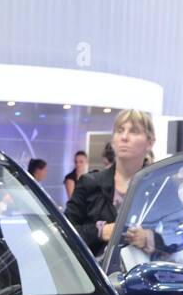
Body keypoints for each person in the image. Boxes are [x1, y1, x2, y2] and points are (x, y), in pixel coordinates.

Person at [66, 109, 156, 258]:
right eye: (120, 131)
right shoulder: (89, 183)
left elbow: (177, 236)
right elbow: (64, 233)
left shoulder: (162, 187)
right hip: (95, 277)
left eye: (134, 131)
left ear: (150, 142)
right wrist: (100, 232)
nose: (124, 137)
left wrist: (148, 238)